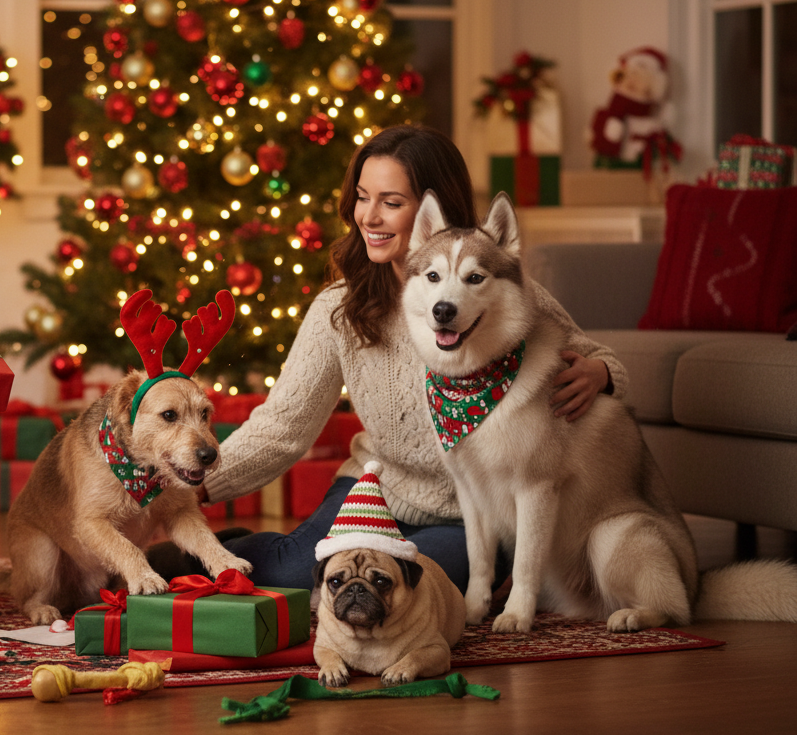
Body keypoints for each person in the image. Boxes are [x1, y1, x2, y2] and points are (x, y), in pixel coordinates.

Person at [147, 124, 627, 593]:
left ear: (430, 218)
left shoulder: (496, 290)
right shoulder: (339, 308)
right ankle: (197, 555)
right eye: (362, 196)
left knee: (392, 589)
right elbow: (283, 425)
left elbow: (598, 356)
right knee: (298, 576)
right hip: (373, 487)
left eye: (391, 203)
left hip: (468, 515)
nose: (368, 217)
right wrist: (197, 482)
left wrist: (600, 373)